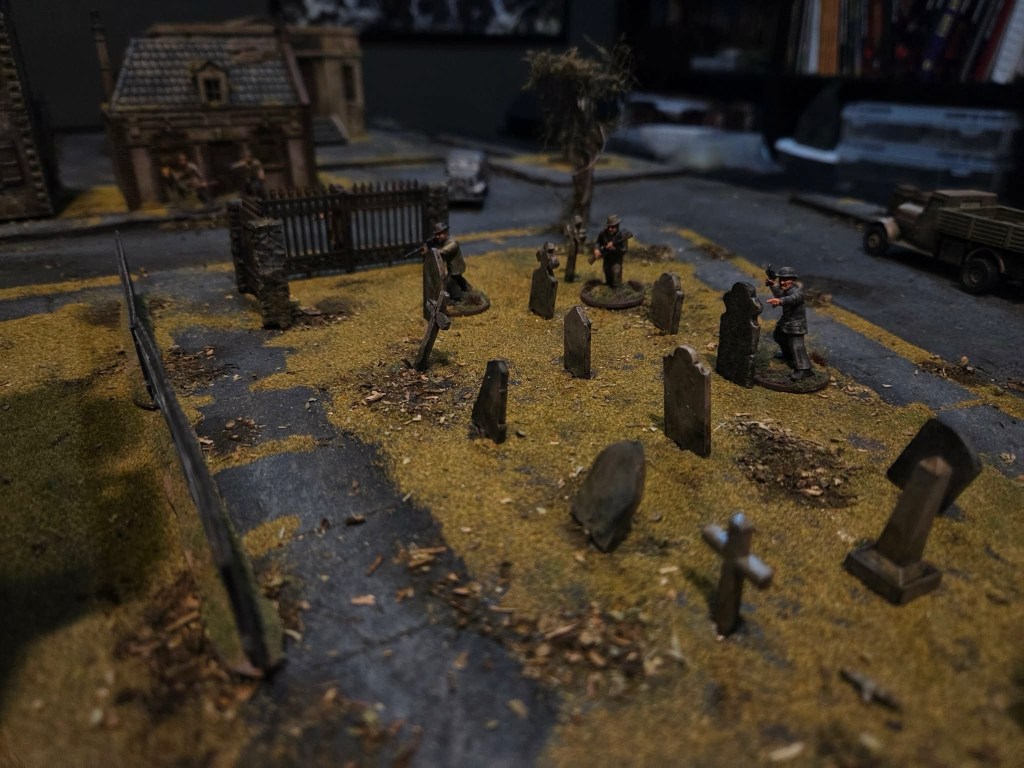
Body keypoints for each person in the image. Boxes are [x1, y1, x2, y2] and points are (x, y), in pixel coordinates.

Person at [765, 266, 814, 380]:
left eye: (785, 279)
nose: (782, 282)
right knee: (779, 336)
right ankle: (788, 355)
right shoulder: (786, 290)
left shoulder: (798, 293)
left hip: (796, 324)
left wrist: (780, 301)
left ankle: (804, 370)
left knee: (797, 345)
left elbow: (791, 299)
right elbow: (779, 295)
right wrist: (772, 284)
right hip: (786, 322)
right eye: (781, 279)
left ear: (793, 280)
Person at [423, 221, 469, 301]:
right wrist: (427, 247)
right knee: (459, 280)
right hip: (451, 267)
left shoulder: (453, 243)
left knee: (449, 282)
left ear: (446, 233)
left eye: (439, 234)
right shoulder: (443, 242)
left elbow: (442, 251)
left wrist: (431, 251)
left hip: (457, 267)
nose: (437, 237)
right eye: (436, 234)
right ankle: (467, 290)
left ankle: (458, 298)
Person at [589, 213, 631, 288]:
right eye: (609, 227)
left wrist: (614, 249)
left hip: (616, 261)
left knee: (616, 281)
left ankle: (618, 293)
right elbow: (598, 242)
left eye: (613, 227)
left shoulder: (622, 236)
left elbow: (624, 249)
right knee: (608, 280)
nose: (610, 229)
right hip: (607, 260)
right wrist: (596, 250)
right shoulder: (603, 233)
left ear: (617, 226)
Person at [563, 214, 587, 282]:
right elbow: (573, 236)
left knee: (572, 263)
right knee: (570, 262)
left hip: (574, 247)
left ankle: (570, 277)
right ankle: (568, 278)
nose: (580, 225)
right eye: (578, 224)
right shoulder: (572, 229)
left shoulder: (576, 230)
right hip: (572, 247)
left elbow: (580, 239)